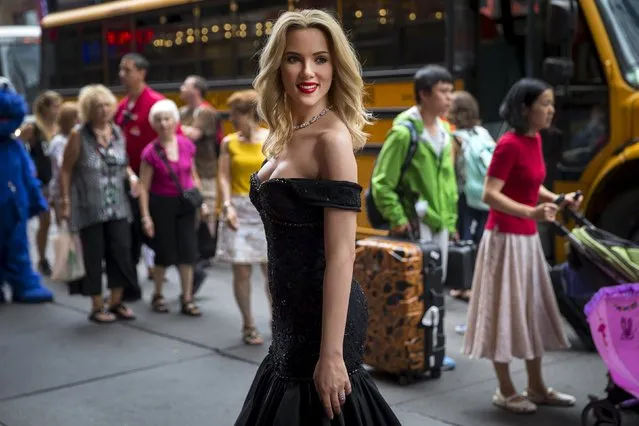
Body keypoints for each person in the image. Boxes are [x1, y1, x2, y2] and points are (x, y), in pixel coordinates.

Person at [235, 9, 401, 425]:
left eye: (321, 58)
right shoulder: (286, 132)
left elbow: (343, 254)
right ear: (278, 64)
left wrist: (330, 355)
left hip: (325, 322)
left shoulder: (332, 138)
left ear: (335, 65)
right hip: (291, 316)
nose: (308, 71)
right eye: (294, 58)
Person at [462, 78, 579, 413]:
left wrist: (559, 199)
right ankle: (506, 389)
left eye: (551, 103)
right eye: (545, 103)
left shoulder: (535, 140)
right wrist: (532, 212)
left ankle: (537, 387)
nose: (551, 110)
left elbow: (531, 184)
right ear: (525, 108)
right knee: (504, 313)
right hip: (504, 240)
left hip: (526, 240)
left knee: (532, 311)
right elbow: (490, 193)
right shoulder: (508, 144)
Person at [369, 64, 459, 370]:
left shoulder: (445, 131)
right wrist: (398, 218)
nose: (450, 97)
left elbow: (447, 184)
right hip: (414, 227)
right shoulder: (404, 131)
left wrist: (451, 221)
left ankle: (430, 347)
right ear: (424, 94)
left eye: (450, 91)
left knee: (434, 289)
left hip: (439, 225)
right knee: (414, 290)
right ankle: (410, 347)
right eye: (443, 91)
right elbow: (382, 182)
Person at [59, 84, 138, 323]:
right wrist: (65, 201)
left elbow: (123, 163)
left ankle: (116, 301)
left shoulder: (116, 132)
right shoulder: (78, 135)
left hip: (118, 205)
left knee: (121, 251)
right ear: (88, 109)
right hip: (89, 205)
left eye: (106, 105)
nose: (103, 110)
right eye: (97, 107)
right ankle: (96, 306)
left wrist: (132, 176)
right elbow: (65, 170)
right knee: (94, 255)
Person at [138, 99, 205, 317]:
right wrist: (146, 216)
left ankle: (187, 298)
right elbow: (144, 187)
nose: (164, 123)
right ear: (154, 124)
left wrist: (201, 201)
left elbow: (193, 174)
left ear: (175, 120)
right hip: (161, 204)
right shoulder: (150, 152)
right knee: (164, 251)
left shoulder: (186, 144)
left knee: (188, 250)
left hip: (186, 203)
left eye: (167, 119)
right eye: (159, 120)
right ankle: (158, 294)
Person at [216, 90, 270, 345]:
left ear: (247, 113)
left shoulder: (270, 138)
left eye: (234, 114)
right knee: (242, 271)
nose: (231, 119)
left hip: (265, 209)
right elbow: (224, 176)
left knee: (272, 271)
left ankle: (277, 321)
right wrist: (226, 205)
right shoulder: (228, 142)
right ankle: (248, 324)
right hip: (238, 207)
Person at [114, 53, 163, 300]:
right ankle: (130, 284)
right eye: (121, 70)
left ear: (142, 73)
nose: (122, 75)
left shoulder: (157, 103)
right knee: (129, 236)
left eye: (128, 70)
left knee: (157, 235)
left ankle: (186, 273)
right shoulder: (121, 106)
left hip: (155, 183)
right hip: (126, 180)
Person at [0, 76, 53, 304]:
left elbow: (28, 176)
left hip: (14, 213)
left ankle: (23, 284)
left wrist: (35, 200)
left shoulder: (15, 147)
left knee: (18, 248)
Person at [20, 90, 62, 276]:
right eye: (54, 106)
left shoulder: (60, 126)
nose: (57, 110)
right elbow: (18, 143)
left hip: (59, 180)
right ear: (45, 108)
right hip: (42, 180)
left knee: (62, 221)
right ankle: (42, 258)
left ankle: (63, 259)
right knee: (45, 221)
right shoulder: (34, 127)